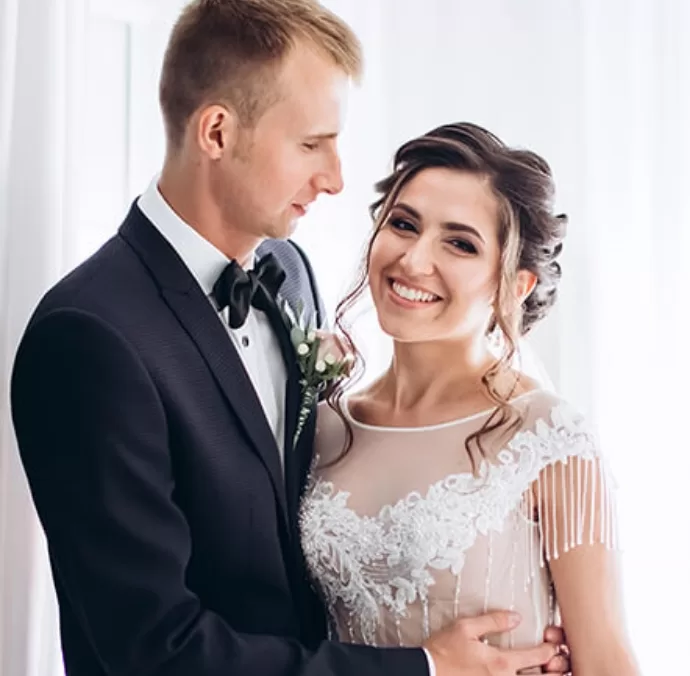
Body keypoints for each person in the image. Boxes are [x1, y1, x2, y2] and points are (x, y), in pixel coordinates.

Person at [11, 2, 569, 675]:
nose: (335, 178)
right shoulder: (89, 338)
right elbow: (154, 650)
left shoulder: (290, 277)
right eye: (312, 144)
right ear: (217, 132)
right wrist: (422, 668)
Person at [301, 122, 642, 676]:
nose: (412, 261)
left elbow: (607, 659)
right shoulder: (324, 428)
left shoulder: (548, 438)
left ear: (515, 286)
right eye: (403, 224)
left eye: (460, 243)